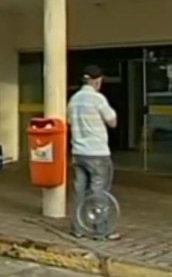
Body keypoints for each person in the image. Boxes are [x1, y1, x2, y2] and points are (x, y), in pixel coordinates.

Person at [67, 64, 120, 240]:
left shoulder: (74, 99)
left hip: (78, 152)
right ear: (97, 80)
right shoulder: (98, 99)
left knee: (79, 191)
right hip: (97, 153)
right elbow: (112, 121)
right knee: (99, 192)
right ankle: (101, 231)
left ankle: (78, 229)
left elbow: (68, 121)